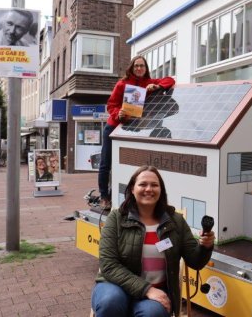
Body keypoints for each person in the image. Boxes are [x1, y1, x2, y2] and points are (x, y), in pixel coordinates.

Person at [91, 166, 215, 317]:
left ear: (161, 190)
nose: (149, 189)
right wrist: (146, 289)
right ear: (132, 188)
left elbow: (195, 262)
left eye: (154, 185)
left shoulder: (176, 221)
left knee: (154, 313)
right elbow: (108, 265)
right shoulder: (116, 218)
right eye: (143, 184)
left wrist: (205, 247)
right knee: (110, 302)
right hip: (116, 286)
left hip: (156, 290)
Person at [99, 56, 175, 206]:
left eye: (142, 66)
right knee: (106, 163)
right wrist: (118, 113)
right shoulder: (122, 84)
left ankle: (123, 194)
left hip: (133, 128)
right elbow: (111, 104)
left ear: (146, 69)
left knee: (126, 162)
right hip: (114, 126)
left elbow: (170, 80)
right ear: (132, 68)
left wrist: (157, 87)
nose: (139, 68)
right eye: (136, 66)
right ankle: (104, 196)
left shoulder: (149, 83)